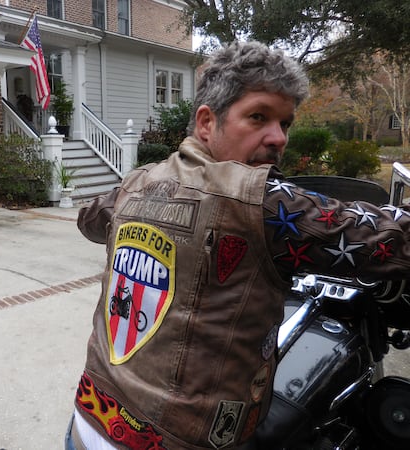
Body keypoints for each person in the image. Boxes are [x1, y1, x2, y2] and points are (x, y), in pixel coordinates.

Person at [66, 40, 410, 449]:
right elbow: (392, 236)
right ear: (207, 123)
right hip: (185, 439)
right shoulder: (263, 202)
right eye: (259, 117)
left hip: (91, 418)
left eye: (285, 124)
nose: (278, 137)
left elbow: (89, 219)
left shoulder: (137, 183)